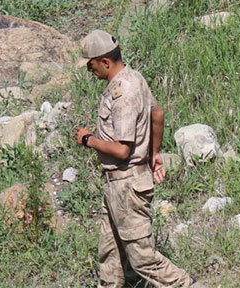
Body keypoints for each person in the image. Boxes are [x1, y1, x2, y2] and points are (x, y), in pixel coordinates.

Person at [73, 30, 199, 288]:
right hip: (116, 184)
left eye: (91, 64)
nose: (89, 70)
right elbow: (158, 113)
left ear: (105, 62)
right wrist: (154, 155)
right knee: (110, 254)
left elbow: (122, 150)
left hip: (126, 185)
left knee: (143, 260)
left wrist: (88, 140)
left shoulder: (123, 93)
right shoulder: (135, 78)